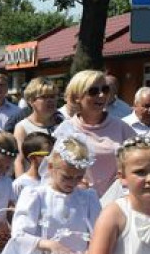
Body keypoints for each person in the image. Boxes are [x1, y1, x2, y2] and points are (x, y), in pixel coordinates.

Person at [52, 70, 135, 199]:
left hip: (116, 200)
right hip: (80, 200)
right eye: (93, 91)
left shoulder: (122, 127)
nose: (101, 95)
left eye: (105, 90)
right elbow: (54, 169)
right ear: (77, 97)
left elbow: (139, 161)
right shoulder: (66, 129)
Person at [12, 78, 62, 176]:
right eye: (44, 97)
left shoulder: (63, 123)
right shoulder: (22, 127)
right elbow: (19, 161)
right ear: (31, 101)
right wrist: (21, 183)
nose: (50, 100)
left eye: (52, 96)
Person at [13, 131, 53, 200]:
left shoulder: (54, 182)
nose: (52, 158)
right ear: (33, 158)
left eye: (54, 153)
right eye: (48, 155)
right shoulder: (19, 184)